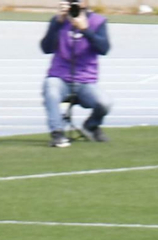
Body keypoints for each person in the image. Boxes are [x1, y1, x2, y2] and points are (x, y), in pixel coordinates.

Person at [41, 0, 112, 148]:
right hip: (60, 77)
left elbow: (104, 49)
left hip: (86, 81)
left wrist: (86, 30)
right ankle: (57, 133)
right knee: (51, 89)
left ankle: (91, 126)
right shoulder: (59, 21)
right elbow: (46, 48)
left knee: (105, 103)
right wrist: (57, 23)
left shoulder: (98, 21)